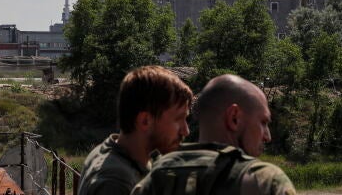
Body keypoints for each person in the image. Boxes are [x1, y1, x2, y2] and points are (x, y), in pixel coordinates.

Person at [132, 74, 296, 195]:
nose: (267, 136)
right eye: (263, 122)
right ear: (234, 118)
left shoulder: (153, 178)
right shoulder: (263, 181)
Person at [78, 66, 193, 195]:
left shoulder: (113, 152)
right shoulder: (115, 183)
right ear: (145, 121)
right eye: (178, 119)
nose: (186, 131)